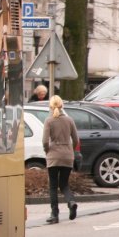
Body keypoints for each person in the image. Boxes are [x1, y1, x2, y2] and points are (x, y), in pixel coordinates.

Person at [42, 94, 80, 223]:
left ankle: (54, 214)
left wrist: (48, 151)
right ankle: (71, 202)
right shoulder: (69, 120)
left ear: (51, 107)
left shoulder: (49, 121)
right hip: (67, 156)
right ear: (62, 105)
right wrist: (71, 150)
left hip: (53, 156)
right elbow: (76, 139)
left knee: (53, 186)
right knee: (64, 184)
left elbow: (45, 141)